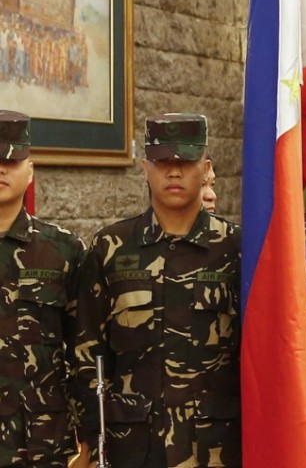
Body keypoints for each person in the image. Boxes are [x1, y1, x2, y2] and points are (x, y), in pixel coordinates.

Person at [75, 113, 241, 467]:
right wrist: (91, 440)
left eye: (186, 161)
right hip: (133, 448)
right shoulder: (111, 248)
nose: (174, 172)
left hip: (214, 449)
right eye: (163, 161)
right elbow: (88, 354)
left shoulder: (237, 248)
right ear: (145, 168)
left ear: (205, 168)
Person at [0, 110, 86, 466]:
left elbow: (84, 351)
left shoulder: (63, 250)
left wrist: (88, 441)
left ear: (30, 171)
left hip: (41, 445)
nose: (1, 169)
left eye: (12, 160)